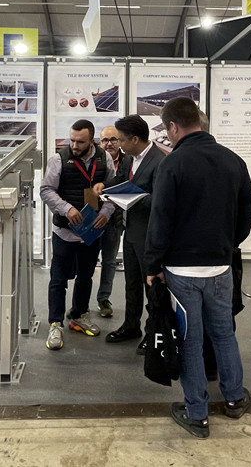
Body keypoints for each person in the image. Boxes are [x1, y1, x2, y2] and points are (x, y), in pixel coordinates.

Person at [144, 97, 251, 439]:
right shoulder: (233, 160)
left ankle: (197, 414)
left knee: (190, 341)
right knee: (223, 333)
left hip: (181, 271)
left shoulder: (172, 164)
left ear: (173, 126)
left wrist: (153, 264)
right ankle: (234, 398)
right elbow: (248, 212)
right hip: (220, 267)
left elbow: (160, 219)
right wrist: (227, 245)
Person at [39, 119, 116, 351]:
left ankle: (79, 315)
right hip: (64, 232)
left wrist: (106, 213)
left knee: (86, 276)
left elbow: (113, 189)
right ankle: (55, 323)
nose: (74, 145)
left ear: (91, 140)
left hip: (91, 232)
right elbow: (46, 190)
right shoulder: (58, 160)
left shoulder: (105, 158)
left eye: (80, 142)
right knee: (58, 279)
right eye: (72, 140)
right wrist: (66, 209)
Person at [95, 115, 164, 349]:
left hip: (149, 235)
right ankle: (131, 325)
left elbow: (160, 202)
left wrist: (131, 198)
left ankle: (153, 334)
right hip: (131, 231)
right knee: (131, 283)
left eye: (122, 140)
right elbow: (121, 180)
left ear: (135, 139)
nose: (119, 145)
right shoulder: (129, 160)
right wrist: (105, 187)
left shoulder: (159, 162)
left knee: (151, 286)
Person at [93, 125, 124, 318]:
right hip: (93, 218)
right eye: (105, 140)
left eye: (113, 139)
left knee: (110, 261)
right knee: (87, 261)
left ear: (120, 141)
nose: (109, 143)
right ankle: (80, 302)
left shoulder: (128, 161)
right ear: (99, 142)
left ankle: (103, 298)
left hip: (115, 219)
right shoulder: (94, 161)